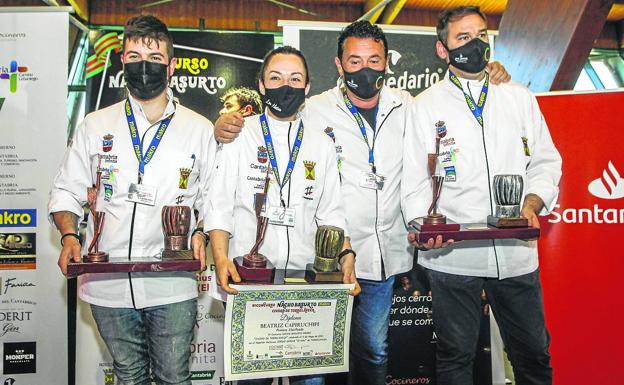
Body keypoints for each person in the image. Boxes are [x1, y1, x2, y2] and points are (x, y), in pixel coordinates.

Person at [214, 21, 510, 385]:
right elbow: (273, 125)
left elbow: (453, 122)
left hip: (382, 253)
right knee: (308, 353)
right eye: (354, 61)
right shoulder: (315, 109)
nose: (365, 69)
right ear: (339, 65)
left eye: (374, 59)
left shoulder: (410, 106)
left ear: (387, 62)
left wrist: (488, 73)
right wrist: (224, 126)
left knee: (373, 349)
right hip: (323, 256)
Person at [48, 15, 216, 385]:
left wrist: (201, 233)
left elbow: (212, 197)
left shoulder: (199, 129)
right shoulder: (95, 124)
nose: (144, 65)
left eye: (155, 58)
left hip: (172, 282)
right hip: (106, 285)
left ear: (171, 67)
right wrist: (70, 237)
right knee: (128, 375)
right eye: (135, 55)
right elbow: (66, 190)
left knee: (174, 376)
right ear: (122, 61)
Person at [402, 6, 562, 385]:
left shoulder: (519, 97)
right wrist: (422, 226)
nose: (474, 45)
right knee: (455, 358)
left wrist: (531, 204)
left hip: (516, 254)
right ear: (442, 50)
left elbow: (546, 161)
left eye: (480, 35)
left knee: (533, 355)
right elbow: (413, 181)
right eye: (463, 38)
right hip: (453, 257)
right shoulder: (425, 106)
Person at [206, 46, 359, 385]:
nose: (285, 86)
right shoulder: (239, 135)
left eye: (294, 79)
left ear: (307, 88)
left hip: (306, 285)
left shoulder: (320, 144)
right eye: (275, 78)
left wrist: (346, 255)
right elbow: (219, 205)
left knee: (310, 381)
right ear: (261, 86)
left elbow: (331, 212)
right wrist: (219, 258)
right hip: (250, 282)